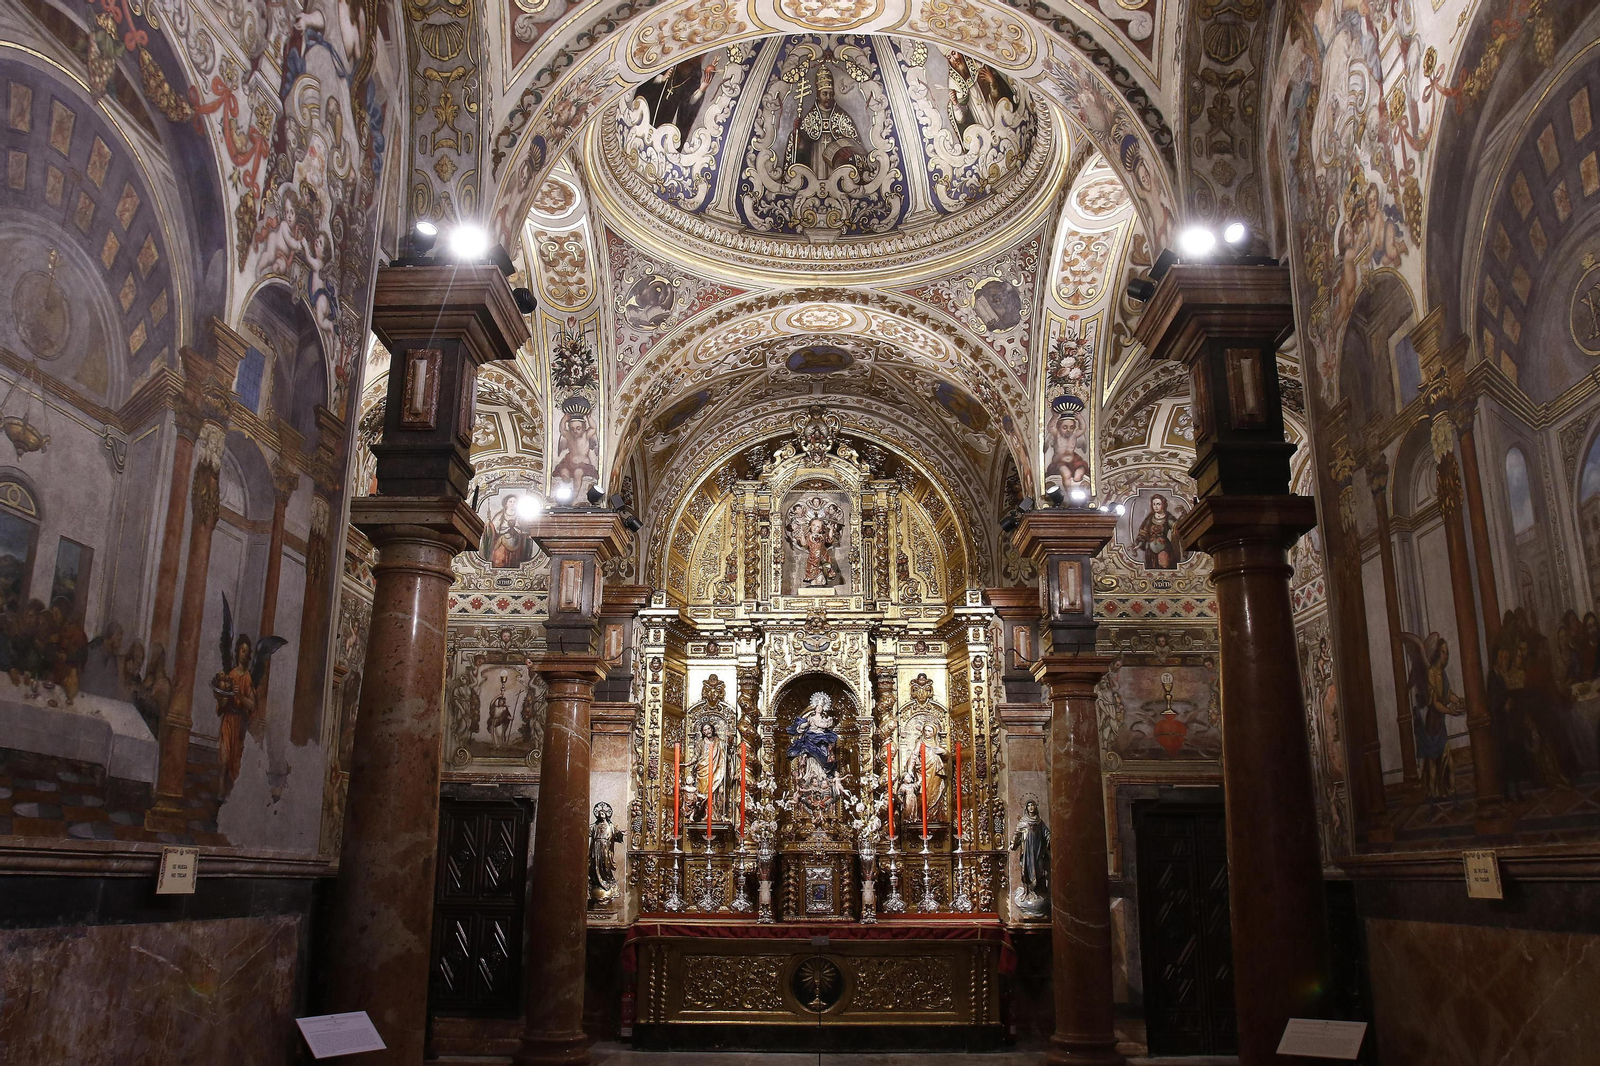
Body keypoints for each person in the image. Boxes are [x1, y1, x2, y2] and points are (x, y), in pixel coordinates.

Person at [1009, 798, 1049, 917]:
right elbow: (1017, 834)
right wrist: (1013, 843)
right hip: (1027, 852)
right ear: (1026, 808)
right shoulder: (1023, 822)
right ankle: (1028, 892)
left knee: (1039, 870)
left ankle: (1038, 892)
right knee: (1027, 870)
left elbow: (1046, 833)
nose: (1031, 807)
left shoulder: (1039, 822)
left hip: (1037, 851)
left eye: (1033, 805)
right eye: (1029, 806)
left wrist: (1050, 839)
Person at [588, 801, 626, 905]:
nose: (601, 815)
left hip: (606, 848)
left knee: (605, 866)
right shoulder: (594, 826)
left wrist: (620, 833)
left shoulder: (611, 826)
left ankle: (606, 881)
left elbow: (616, 835)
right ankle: (596, 882)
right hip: (596, 848)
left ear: (607, 815)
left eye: (603, 814)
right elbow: (586, 831)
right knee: (595, 865)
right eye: (599, 814)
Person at [1135, 494, 1182, 569]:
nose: (1155, 506)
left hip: (1164, 548)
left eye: (1158, 504)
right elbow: (1143, 532)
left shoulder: (1168, 518)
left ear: (1163, 505)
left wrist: (1181, 519)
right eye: (1154, 504)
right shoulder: (1149, 518)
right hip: (1150, 550)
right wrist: (1139, 545)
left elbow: (1176, 528)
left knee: (1165, 567)